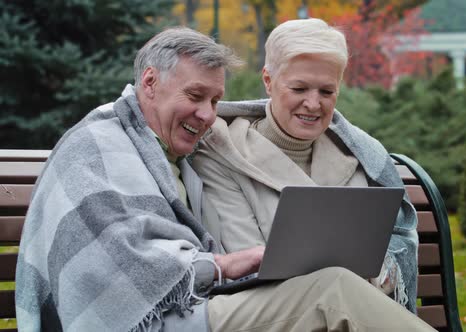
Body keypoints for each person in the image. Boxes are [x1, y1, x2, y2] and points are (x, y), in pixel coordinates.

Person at [15, 26, 434, 332]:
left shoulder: (171, 154)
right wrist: (218, 266)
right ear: (149, 83)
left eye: (215, 100)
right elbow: (118, 262)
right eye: (195, 96)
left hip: (192, 310)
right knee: (334, 291)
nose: (207, 115)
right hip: (157, 319)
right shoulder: (97, 145)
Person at [192, 18, 430, 329]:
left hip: (350, 319)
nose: (313, 104)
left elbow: (389, 261)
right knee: (337, 289)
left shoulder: (357, 157)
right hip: (281, 319)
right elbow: (247, 270)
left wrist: (378, 270)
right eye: (299, 88)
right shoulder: (222, 155)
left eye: (327, 91)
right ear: (268, 80)